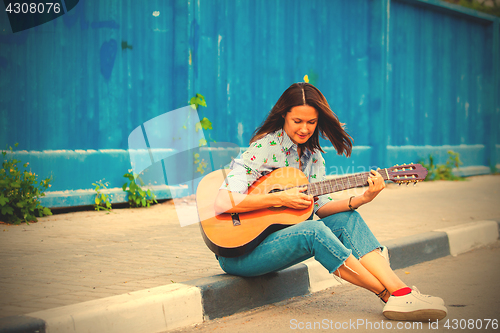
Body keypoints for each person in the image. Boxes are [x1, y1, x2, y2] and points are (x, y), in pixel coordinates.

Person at [213, 82, 447, 321]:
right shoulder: (263, 148)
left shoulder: (312, 157)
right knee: (313, 230)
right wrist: (279, 197)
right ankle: (390, 295)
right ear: (284, 115)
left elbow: (321, 207)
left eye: (311, 123)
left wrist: (363, 198)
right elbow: (222, 201)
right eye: (298, 121)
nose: (305, 129)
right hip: (239, 254)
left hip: (276, 244)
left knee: (347, 218)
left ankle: (402, 291)